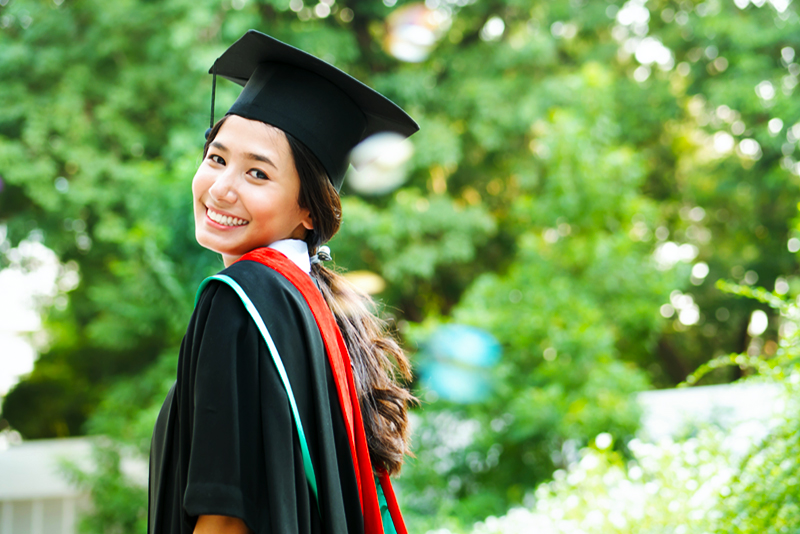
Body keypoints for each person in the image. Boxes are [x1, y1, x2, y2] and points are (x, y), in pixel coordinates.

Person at [147, 30, 419, 534]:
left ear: (309, 210)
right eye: (217, 158)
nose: (222, 188)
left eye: (258, 175)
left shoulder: (240, 297)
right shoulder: (309, 305)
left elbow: (225, 518)